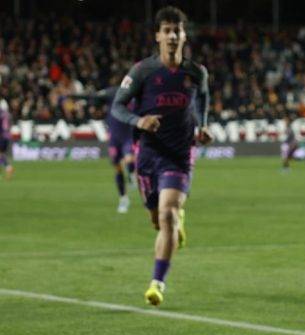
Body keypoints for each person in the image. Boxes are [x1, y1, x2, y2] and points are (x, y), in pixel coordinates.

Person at [112, 5, 211, 306]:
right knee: (158, 220)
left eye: (177, 30)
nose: (172, 35)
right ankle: (174, 220)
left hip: (180, 154)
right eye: (166, 30)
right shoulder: (142, 71)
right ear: (158, 35)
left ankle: (157, 283)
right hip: (148, 154)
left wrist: (203, 126)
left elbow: (203, 99)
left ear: (183, 35)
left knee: (167, 215)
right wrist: (138, 121)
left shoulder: (196, 73)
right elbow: (118, 107)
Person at [72, 84, 136, 212]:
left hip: (128, 136)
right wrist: (92, 107)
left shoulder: (134, 97)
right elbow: (95, 100)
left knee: (129, 161)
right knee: (117, 168)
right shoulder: (111, 94)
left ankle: (131, 175)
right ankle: (123, 199)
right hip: (114, 138)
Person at [0, 100, 15, 181]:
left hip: (1, 136)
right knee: (1, 154)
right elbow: (10, 125)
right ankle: (8, 167)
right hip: (7, 136)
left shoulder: (0, 114)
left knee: (1, 155)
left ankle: (8, 167)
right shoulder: (8, 115)